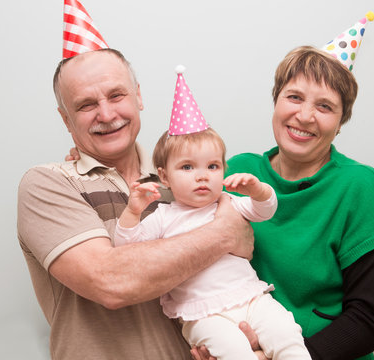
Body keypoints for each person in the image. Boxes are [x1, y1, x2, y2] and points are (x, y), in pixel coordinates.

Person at [17, 48, 256, 360]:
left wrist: (239, 342)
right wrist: (223, 234)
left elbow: (240, 258)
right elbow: (110, 281)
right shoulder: (48, 184)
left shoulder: (182, 183)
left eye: (116, 95)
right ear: (66, 119)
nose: (106, 114)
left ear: (138, 97)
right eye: (86, 105)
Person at [193, 45, 374, 360]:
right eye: (294, 97)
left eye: (325, 106)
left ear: (341, 121)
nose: (304, 116)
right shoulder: (235, 172)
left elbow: (370, 318)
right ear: (276, 100)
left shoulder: (361, 187)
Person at [114, 126, 312, 360]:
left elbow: (265, 210)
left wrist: (257, 190)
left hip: (252, 299)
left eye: (212, 166)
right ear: (164, 176)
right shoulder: (162, 217)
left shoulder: (227, 202)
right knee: (234, 353)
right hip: (203, 315)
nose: (202, 176)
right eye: (187, 167)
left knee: (287, 336)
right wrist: (133, 212)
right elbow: (127, 249)